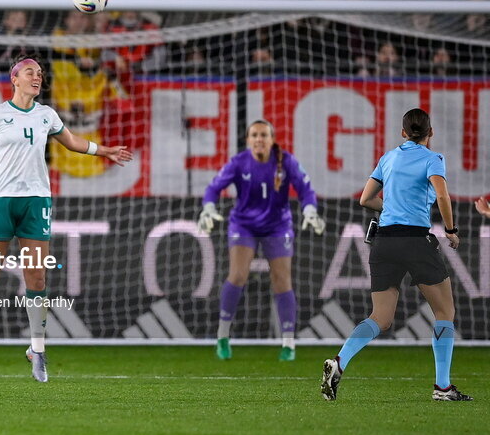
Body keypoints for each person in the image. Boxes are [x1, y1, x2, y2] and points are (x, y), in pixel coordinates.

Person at [0, 55, 132, 382]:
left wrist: (105, 151)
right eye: (30, 72)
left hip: (36, 203)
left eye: (40, 73)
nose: (37, 77)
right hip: (2, 202)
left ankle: (37, 350)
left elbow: (71, 141)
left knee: (37, 280)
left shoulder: (47, 115)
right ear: (14, 79)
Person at [321, 108, 472, 402]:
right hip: (415, 240)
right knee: (444, 312)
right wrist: (451, 229)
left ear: (403, 133)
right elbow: (442, 194)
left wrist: (390, 208)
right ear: (430, 133)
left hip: (384, 242)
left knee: (380, 317)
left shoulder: (388, 157)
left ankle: (339, 362)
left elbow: (366, 199)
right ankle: (442, 387)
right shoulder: (433, 159)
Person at [197, 119, 324, 362]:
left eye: (264, 135)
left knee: (282, 280)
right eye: (254, 135)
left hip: (277, 225)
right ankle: (222, 337)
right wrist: (208, 208)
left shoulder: (286, 161)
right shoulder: (239, 162)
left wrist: (310, 210)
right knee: (237, 275)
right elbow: (213, 188)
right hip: (243, 224)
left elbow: (306, 190)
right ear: (247, 140)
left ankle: (288, 344)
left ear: (272, 139)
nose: (259, 139)